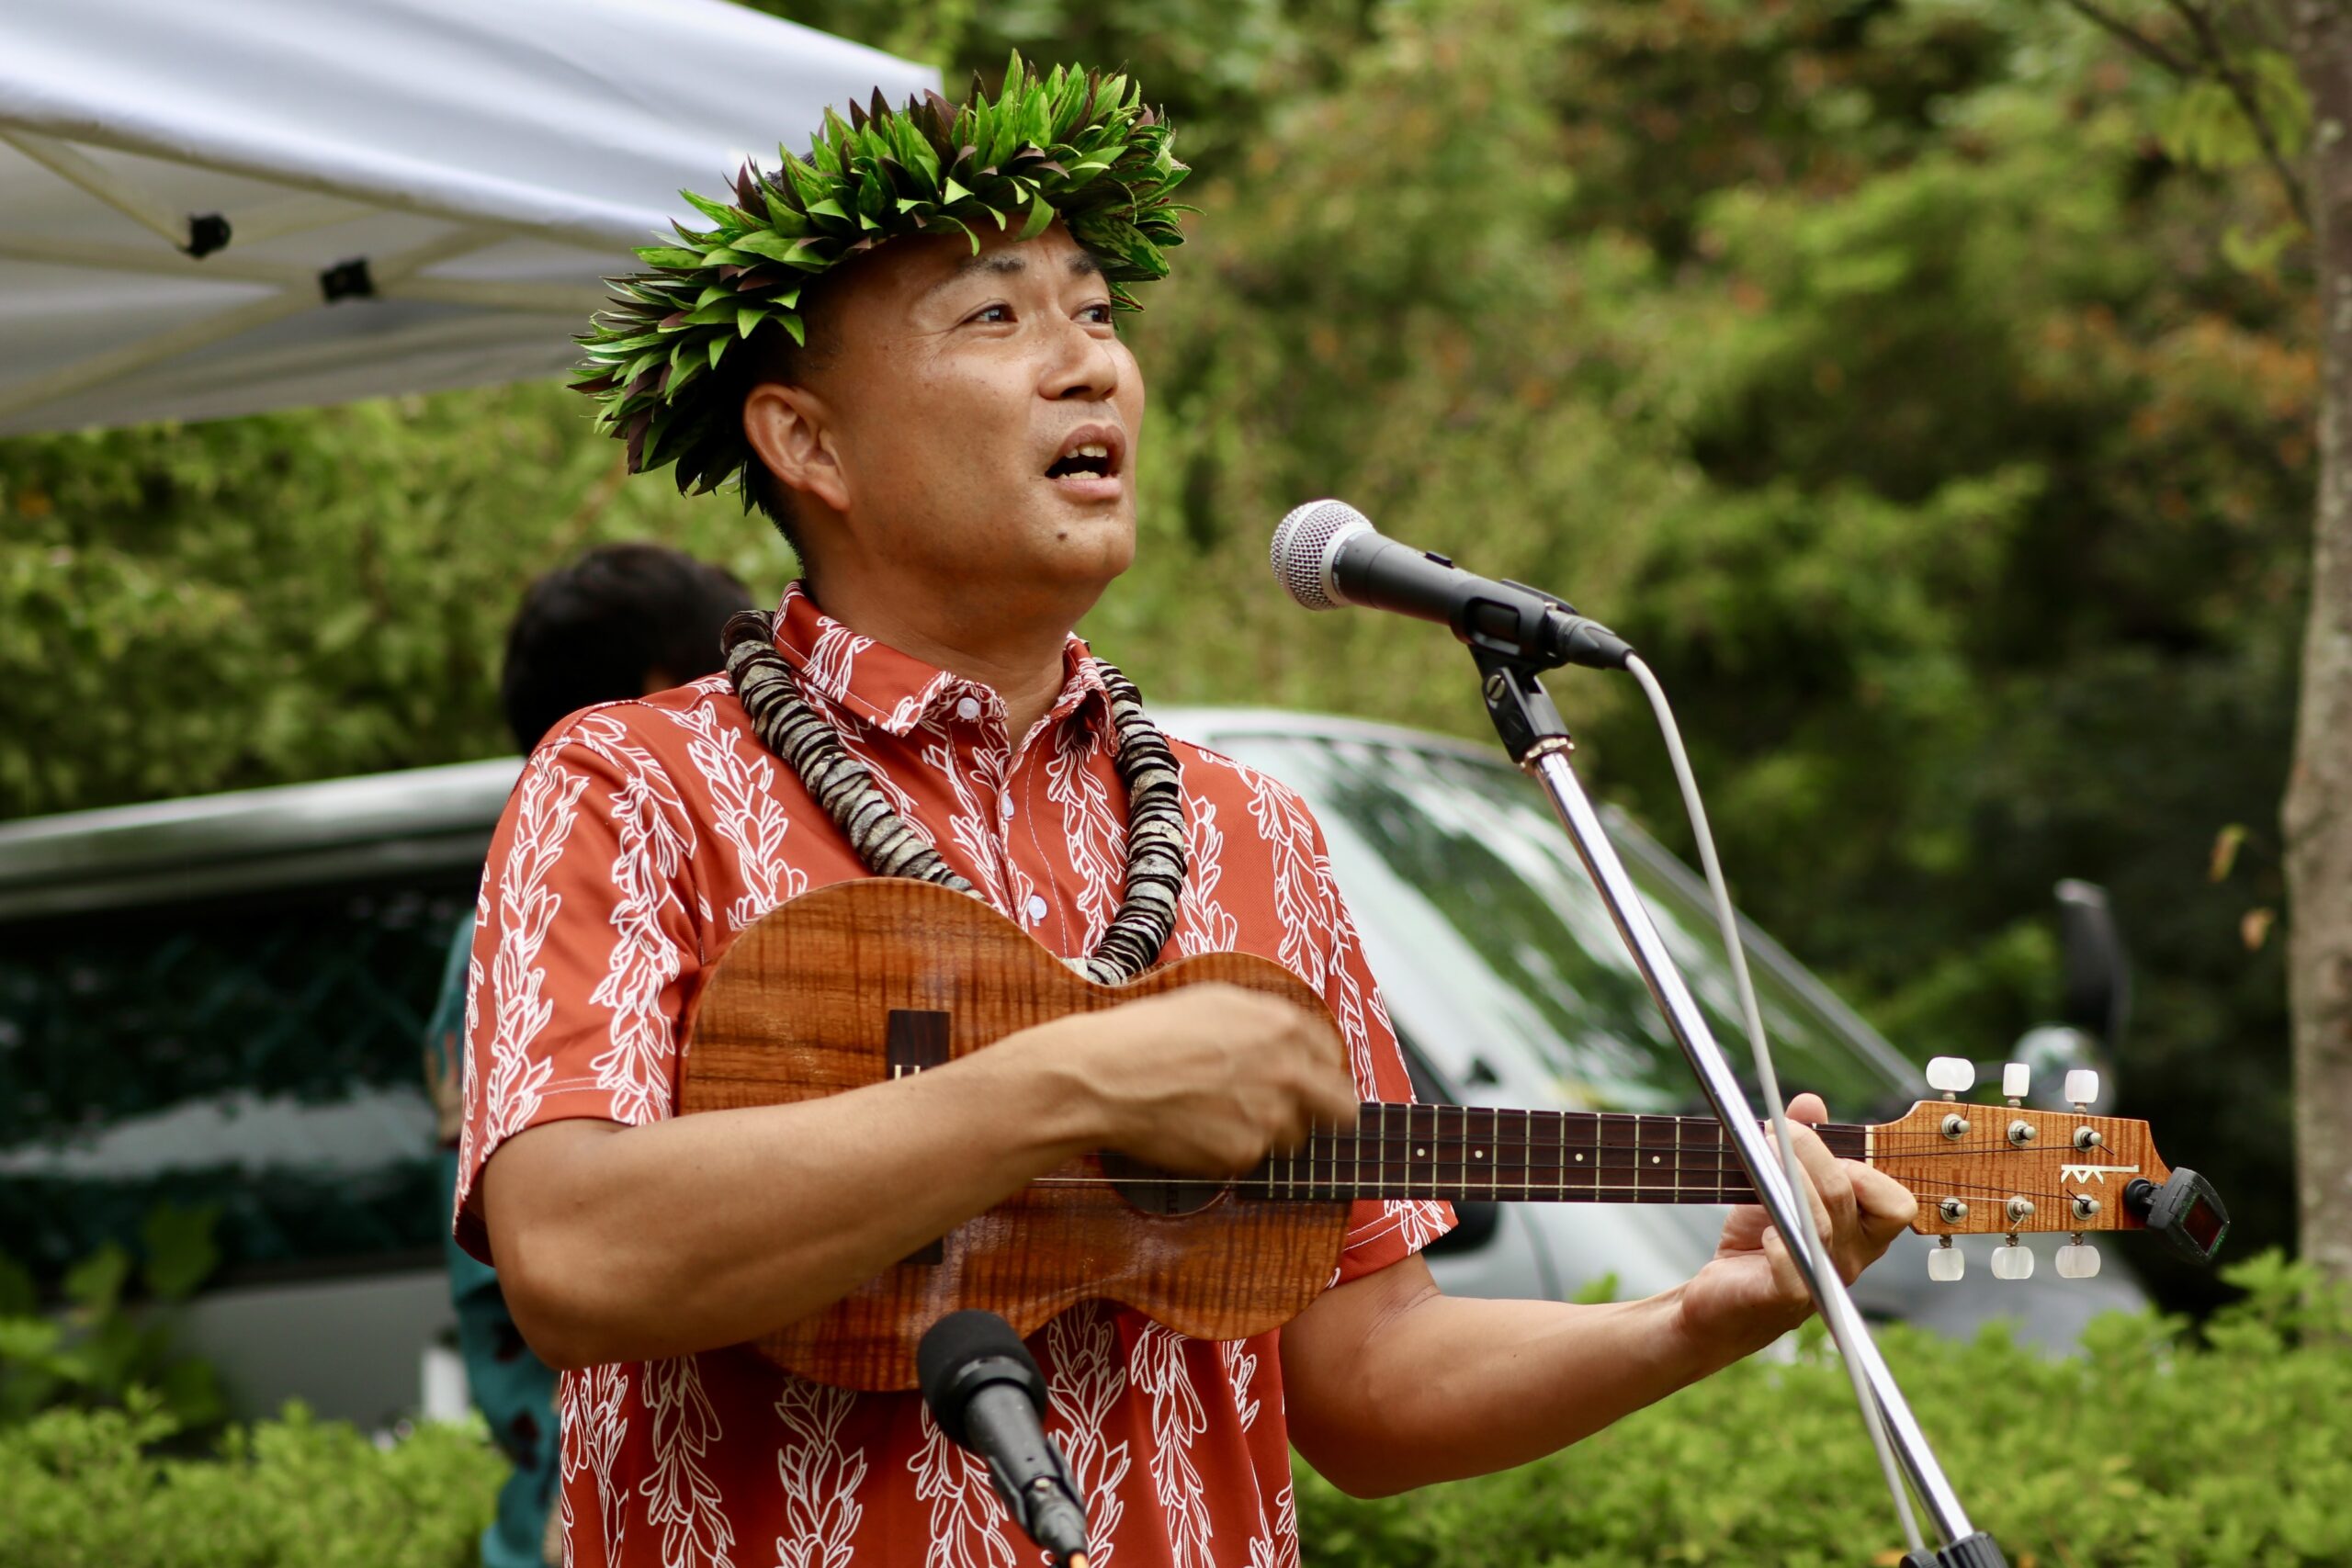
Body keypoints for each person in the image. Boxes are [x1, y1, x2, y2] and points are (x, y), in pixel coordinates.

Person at [455, 62, 1917, 1568]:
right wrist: (1077, 1080)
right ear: (808, 442)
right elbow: (573, 1250)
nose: (1088, 364)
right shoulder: (632, 782)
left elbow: (1367, 1376)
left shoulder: (1247, 830)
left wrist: (1700, 1315)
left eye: (1097, 313)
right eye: (996, 317)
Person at [422, 542, 753, 1568]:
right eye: (739, 680)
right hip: (605, 1512)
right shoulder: (572, 917)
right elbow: (576, 1251)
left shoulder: (501, 919)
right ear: (657, 697)